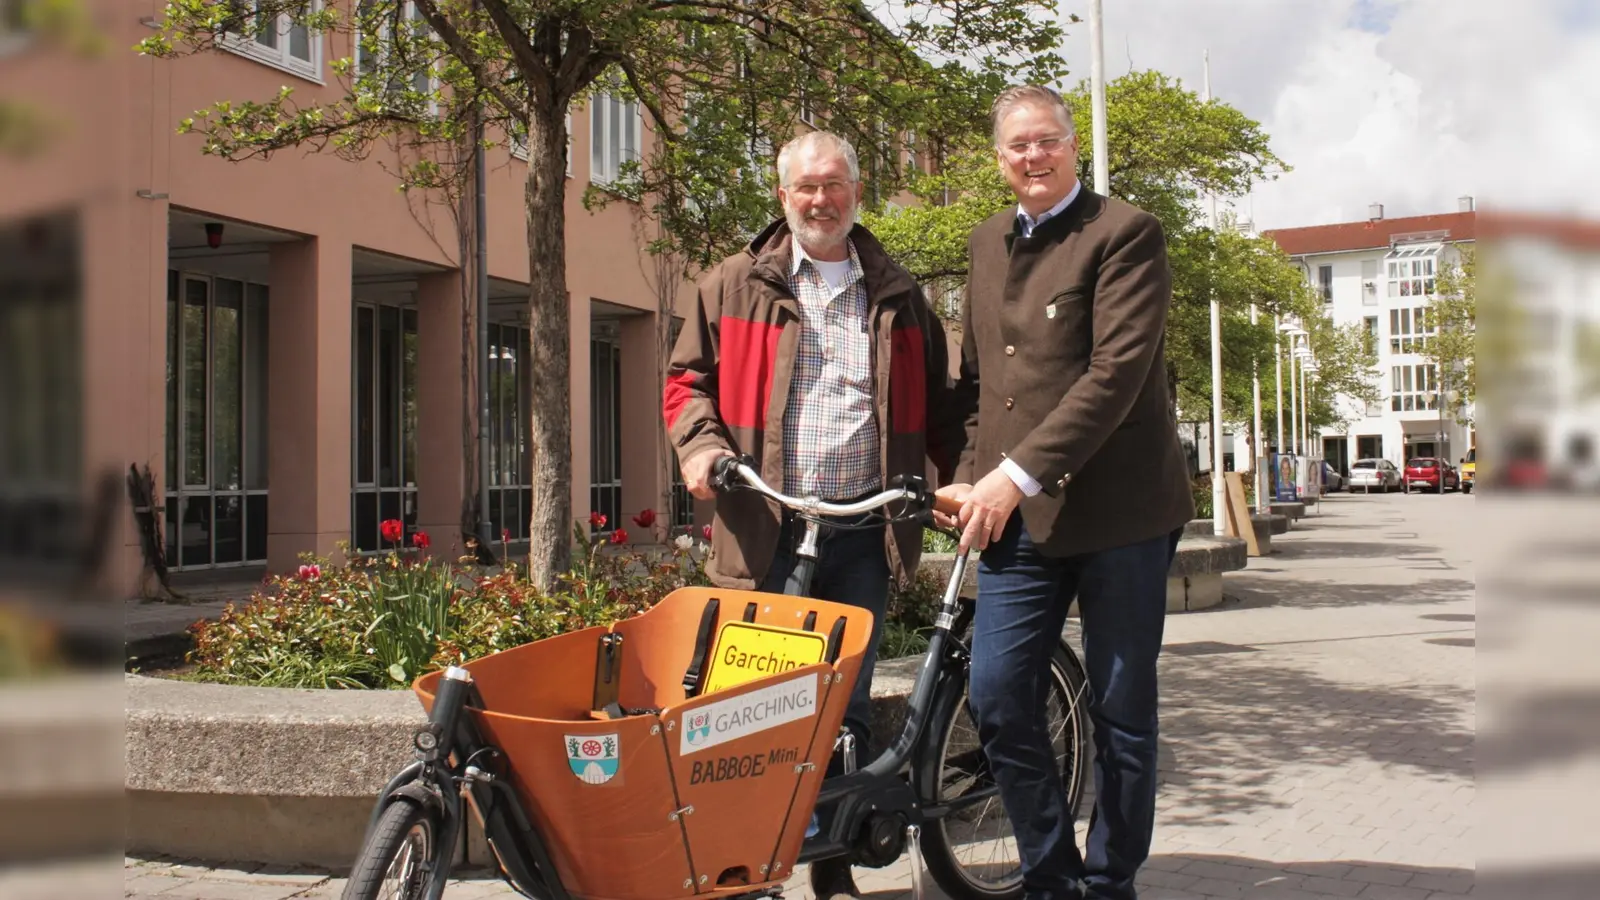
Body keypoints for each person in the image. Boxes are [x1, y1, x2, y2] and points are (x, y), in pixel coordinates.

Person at [662, 130, 964, 900]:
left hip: (861, 528)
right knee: (754, 707)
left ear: (855, 193)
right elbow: (685, 383)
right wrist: (699, 448)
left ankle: (833, 867)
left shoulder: (896, 293)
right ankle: (744, 872)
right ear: (783, 196)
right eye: (807, 187)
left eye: (834, 186)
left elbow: (938, 411)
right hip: (765, 527)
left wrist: (959, 480)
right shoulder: (733, 285)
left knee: (847, 703)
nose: (821, 200)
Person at [934, 85, 1195, 900]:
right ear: (999, 158)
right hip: (1019, 517)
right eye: (1017, 146)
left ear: (1071, 145)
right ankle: (1050, 875)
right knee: (1000, 695)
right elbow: (980, 386)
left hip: (1122, 515)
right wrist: (971, 472)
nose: (1032, 157)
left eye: (1045, 141)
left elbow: (1114, 377)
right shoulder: (984, 243)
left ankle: (1111, 879)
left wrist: (1009, 477)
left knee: (1122, 709)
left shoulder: (1126, 234)